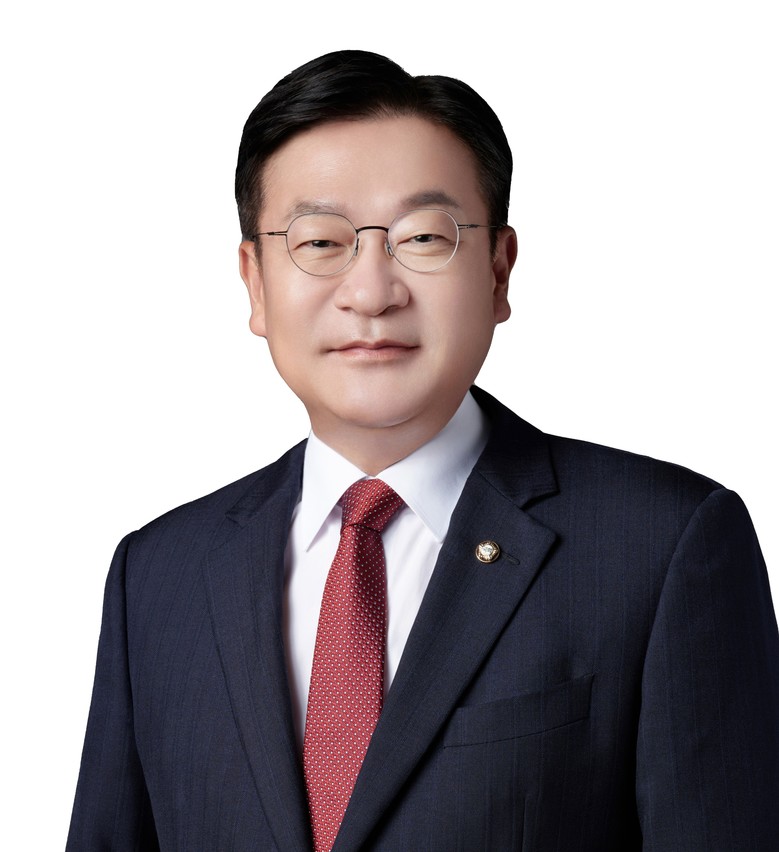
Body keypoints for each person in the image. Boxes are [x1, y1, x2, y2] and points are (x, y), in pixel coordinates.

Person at [67, 50, 779, 851]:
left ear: (498, 271)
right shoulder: (157, 576)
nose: (371, 292)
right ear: (255, 283)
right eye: (320, 241)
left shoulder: (662, 547)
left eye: (424, 237)